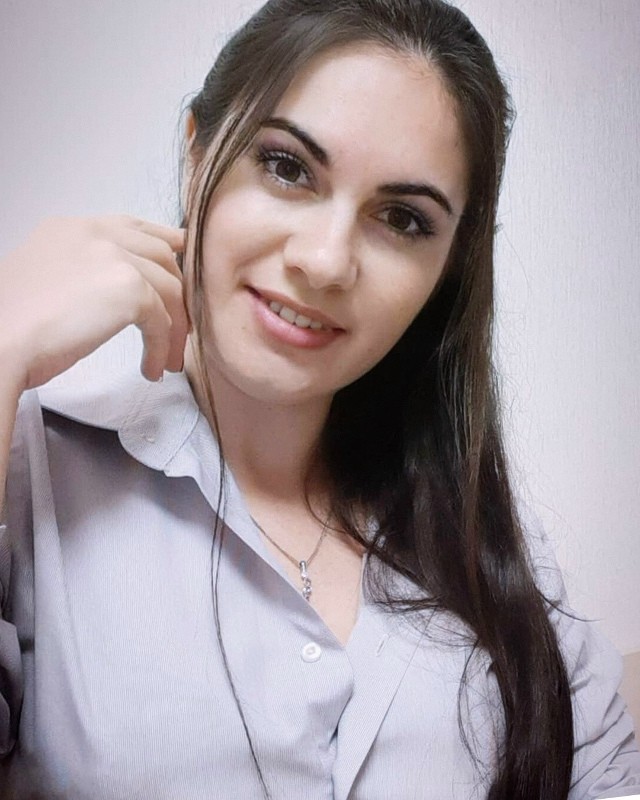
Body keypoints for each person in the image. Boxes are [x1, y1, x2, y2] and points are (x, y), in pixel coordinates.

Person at [0, 0, 638, 797]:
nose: (327, 261)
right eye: (287, 167)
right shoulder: (29, 479)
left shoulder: (489, 539)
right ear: (197, 155)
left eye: (402, 218)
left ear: (449, 265)